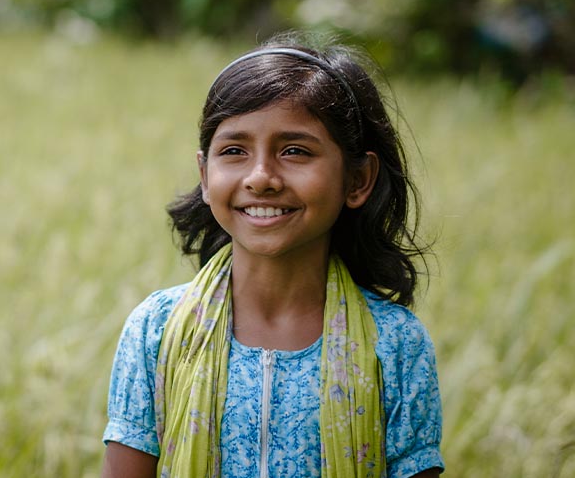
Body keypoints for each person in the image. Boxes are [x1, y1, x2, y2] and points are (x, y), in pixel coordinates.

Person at [101, 33, 444, 478]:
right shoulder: (157, 331)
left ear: (358, 180)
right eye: (235, 151)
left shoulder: (394, 345)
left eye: (295, 151)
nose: (261, 177)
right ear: (205, 176)